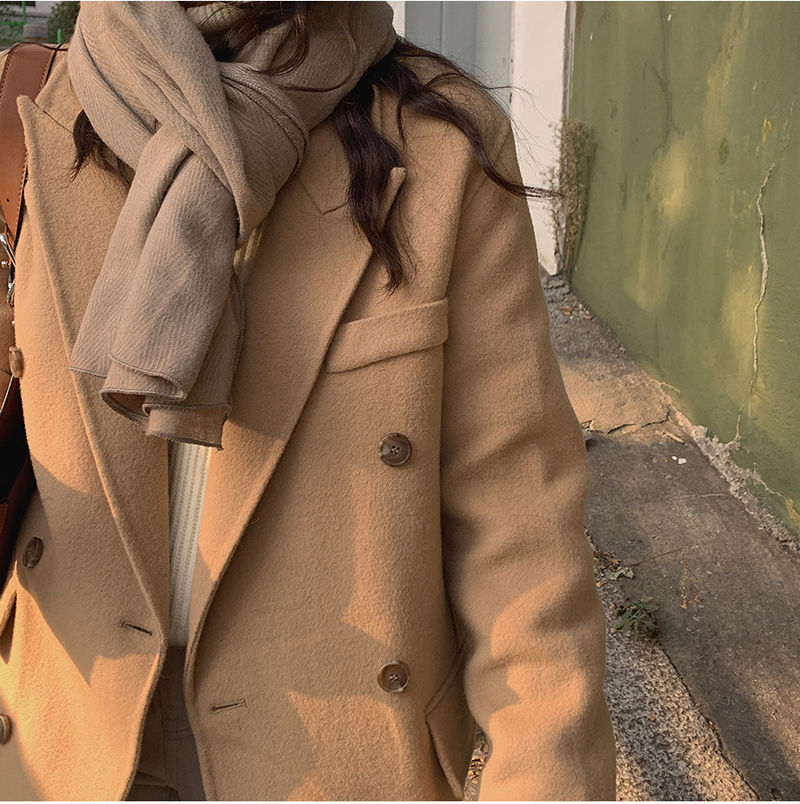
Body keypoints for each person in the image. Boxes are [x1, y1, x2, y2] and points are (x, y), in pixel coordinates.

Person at [0, 1, 617, 800]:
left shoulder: (441, 144)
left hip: (336, 755)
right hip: (67, 727)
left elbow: (521, 536)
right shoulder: (33, 111)